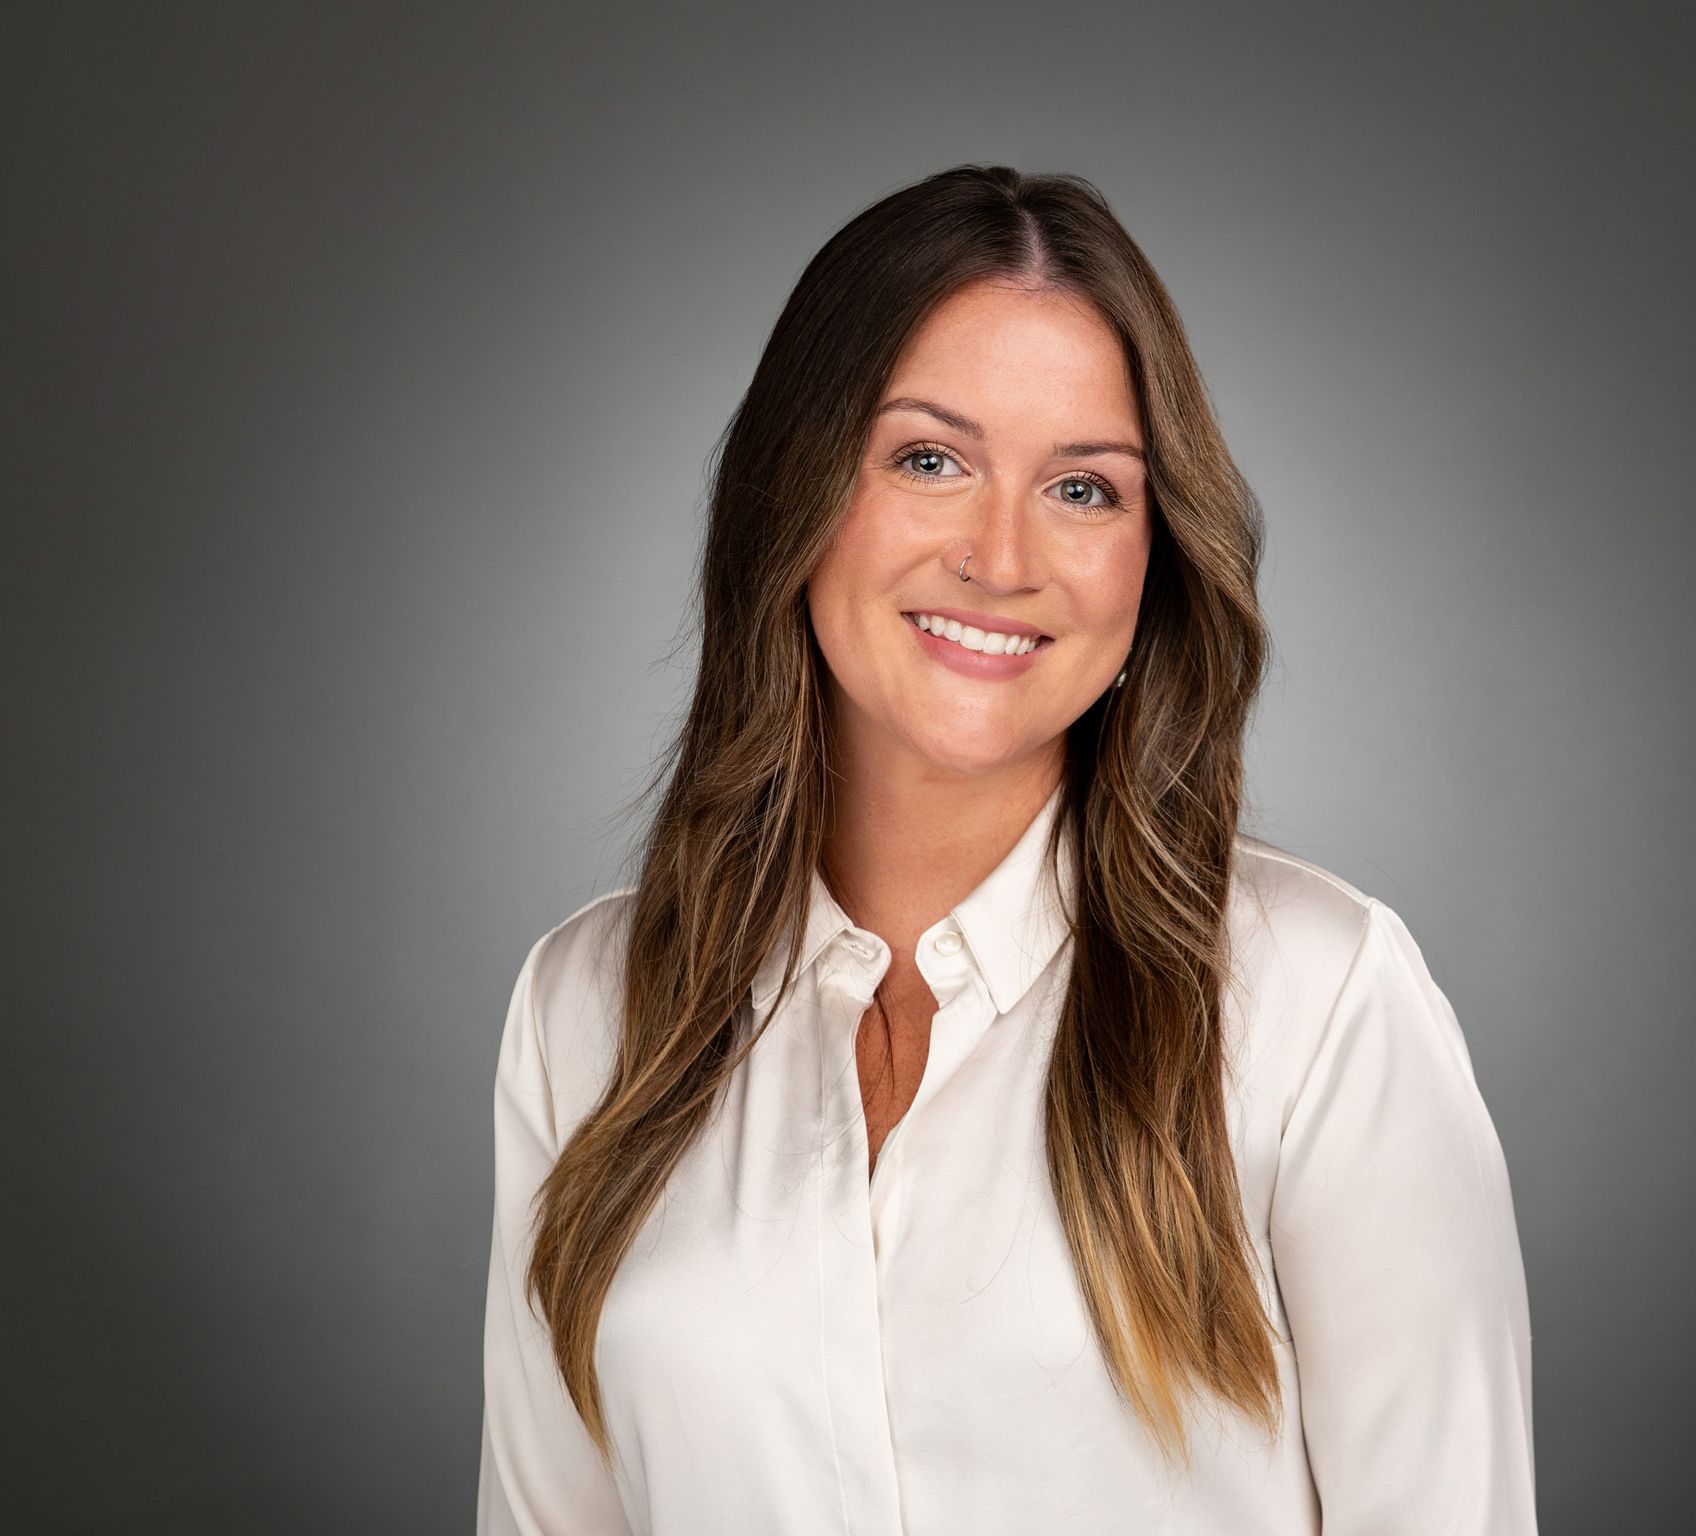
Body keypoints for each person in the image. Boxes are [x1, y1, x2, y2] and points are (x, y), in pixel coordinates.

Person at [477, 163, 1537, 1534]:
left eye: (1084, 489)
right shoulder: (586, 1010)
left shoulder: (1317, 1006)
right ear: (795, 494)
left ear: (1154, 554)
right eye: (930, 460)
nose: (1001, 555)